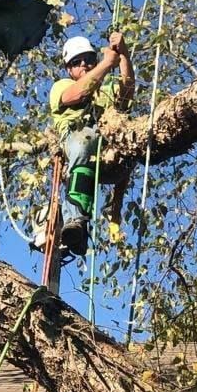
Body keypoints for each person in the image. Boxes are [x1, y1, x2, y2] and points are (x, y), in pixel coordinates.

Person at [49, 31, 134, 256]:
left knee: (126, 145)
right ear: (69, 68)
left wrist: (123, 54)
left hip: (107, 156)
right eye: (77, 62)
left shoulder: (105, 92)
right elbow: (74, 96)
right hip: (76, 144)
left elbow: (127, 92)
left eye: (88, 59)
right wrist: (106, 64)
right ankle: (76, 221)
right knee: (83, 140)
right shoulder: (62, 85)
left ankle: (88, 220)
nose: (84, 64)